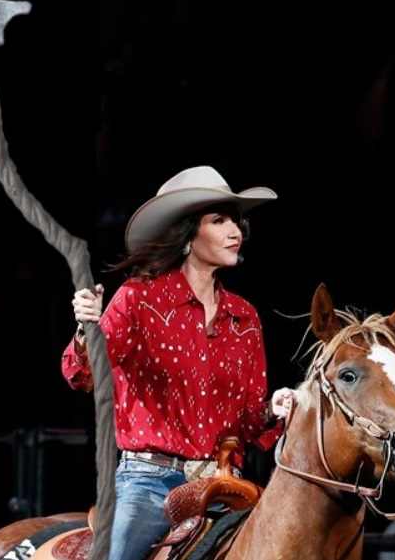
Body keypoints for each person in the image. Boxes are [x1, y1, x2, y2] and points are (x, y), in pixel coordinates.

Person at [61, 165, 296, 560]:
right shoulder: (138, 299)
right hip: (148, 484)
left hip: (225, 487)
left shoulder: (244, 318)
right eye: (219, 221)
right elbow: (83, 377)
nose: (235, 232)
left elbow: (251, 424)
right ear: (186, 234)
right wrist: (88, 330)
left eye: (235, 221)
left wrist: (272, 411)